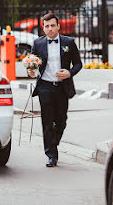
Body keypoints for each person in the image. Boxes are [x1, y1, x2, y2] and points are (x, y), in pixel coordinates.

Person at [28, 13, 82, 167]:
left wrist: (69, 73)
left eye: (52, 25)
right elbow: (32, 64)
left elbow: (78, 64)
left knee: (61, 121)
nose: (50, 29)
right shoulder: (37, 43)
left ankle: (53, 143)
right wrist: (31, 72)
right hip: (45, 87)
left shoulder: (69, 42)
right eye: (47, 26)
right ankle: (51, 154)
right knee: (47, 121)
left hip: (62, 87)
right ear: (43, 28)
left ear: (58, 26)